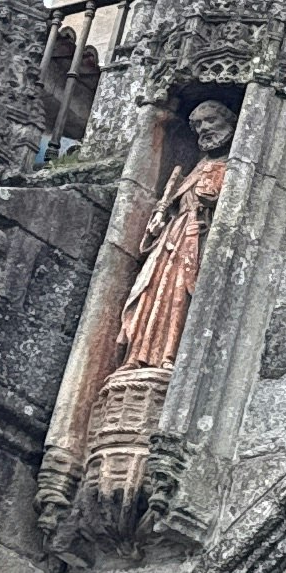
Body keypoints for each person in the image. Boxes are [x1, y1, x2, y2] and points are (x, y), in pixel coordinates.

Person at [113, 95, 237, 372]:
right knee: (152, 293)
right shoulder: (192, 170)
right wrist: (160, 219)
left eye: (210, 121)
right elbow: (171, 204)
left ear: (231, 122)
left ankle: (169, 355)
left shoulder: (234, 167)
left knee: (179, 295)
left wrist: (210, 203)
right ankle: (139, 356)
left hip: (196, 239)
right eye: (197, 125)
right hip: (172, 239)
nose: (204, 128)